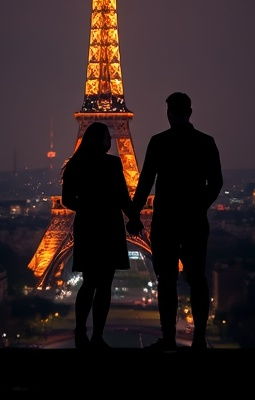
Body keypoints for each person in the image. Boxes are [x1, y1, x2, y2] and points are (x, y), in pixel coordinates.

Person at [128, 92, 223, 351]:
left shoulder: (159, 142)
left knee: (166, 280)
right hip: (193, 220)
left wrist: (134, 214)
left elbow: (145, 182)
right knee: (197, 278)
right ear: (190, 112)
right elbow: (216, 183)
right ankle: (199, 339)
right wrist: (199, 206)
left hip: (166, 220)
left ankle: (169, 338)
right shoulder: (205, 142)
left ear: (169, 113)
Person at [61, 121, 143, 350]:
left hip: (88, 225)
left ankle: (81, 333)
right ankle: (97, 336)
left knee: (89, 283)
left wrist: (88, 206)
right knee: (104, 284)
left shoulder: (76, 165)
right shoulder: (113, 164)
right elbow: (122, 197)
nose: (111, 140)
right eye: (108, 136)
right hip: (109, 225)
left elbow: (67, 199)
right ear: (104, 140)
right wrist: (134, 220)